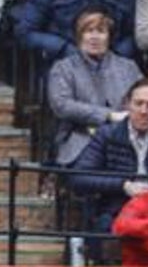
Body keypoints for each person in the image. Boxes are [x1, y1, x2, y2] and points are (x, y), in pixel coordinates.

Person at [71, 79, 148, 249]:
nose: (144, 111)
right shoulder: (107, 134)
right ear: (128, 105)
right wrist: (124, 185)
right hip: (117, 207)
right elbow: (79, 177)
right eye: (139, 104)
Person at [46, 9, 142, 167]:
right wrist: (109, 116)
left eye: (101, 31)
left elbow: (142, 97)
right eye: (88, 31)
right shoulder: (63, 68)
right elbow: (61, 105)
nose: (94, 37)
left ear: (109, 37)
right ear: (79, 37)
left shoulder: (128, 67)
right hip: (81, 140)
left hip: (125, 141)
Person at [13, 0, 136, 63]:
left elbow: (135, 34)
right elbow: (24, 32)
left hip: (113, 63)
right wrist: (64, 49)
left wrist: (116, 55)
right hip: (63, 61)